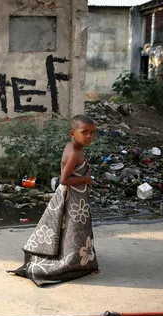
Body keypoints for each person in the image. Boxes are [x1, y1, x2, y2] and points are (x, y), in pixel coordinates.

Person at [9, 114, 99, 287]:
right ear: (72, 133)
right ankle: (74, 262)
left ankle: (81, 259)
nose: (89, 136)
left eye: (92, 133)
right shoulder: (74, 153)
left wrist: (85, 178)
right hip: (73, 198)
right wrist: (86, 180)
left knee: (70, 229)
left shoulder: (75, 148)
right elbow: (64, 180)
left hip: (75, 196)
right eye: (84, 132)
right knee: (76, 229)